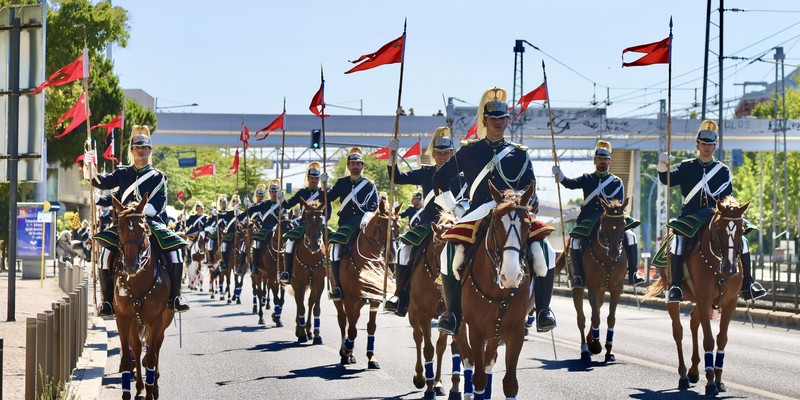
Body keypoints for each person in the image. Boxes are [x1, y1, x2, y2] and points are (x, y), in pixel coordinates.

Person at [431, 88, 555, 335]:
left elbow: (532, 187)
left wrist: (531, 204)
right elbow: (440, 178)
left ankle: (543, 310)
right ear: (485, 121)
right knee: (450, 251)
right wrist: (454, 207)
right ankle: (453, 314)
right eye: (493, 119)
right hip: (479, 212)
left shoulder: (520, 155)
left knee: (545, 251)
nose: (498, 123)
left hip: (513, 212)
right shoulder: (469, 151)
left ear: (508, 121)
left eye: (502, 118)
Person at [657, 120, 766, 302]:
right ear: (698, 145)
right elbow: (666, 180)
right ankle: (676, 285)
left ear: (715, 147)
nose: (707, 148)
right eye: (704, 144)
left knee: (743, 240)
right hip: (690, 217)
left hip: (715, 216)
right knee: (677, 242)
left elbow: (728, 197)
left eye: (710, 145)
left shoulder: (722, 170)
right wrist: (663, 165)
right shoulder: (686, 166)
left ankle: (748, 283)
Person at [87, 125, 189, 315]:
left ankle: (175, 296)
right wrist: (89, 169)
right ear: (132, 151)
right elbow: (102, 182)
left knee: (176, 252)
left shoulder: (159, 176)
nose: (140, 150)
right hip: (124, 223)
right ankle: (107, 302)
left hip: (150, 222)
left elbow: (160, 202)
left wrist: (140, 212)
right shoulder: (122, 173)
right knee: (105, 255)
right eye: (136, 147)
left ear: (149, 150)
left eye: (144, 147)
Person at [384, 127, 465, 316]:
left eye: (447, 153)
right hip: (428, 224)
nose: (443, 157)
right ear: (434, 154)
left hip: (455, 225)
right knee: (404, 250)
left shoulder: (462, 178)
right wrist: (392, 156)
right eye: (439, 153)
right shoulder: (425, 173)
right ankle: (400, 295)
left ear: (452, 154)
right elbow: (396, 178)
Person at [552, 140, 645, 288]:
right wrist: (560, 175)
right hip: (588, 220)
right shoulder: (587, 178)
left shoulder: (616, 182)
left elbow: (618, 203)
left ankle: (633, 272)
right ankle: (578, 276)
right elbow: (569, 184)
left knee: (630, 236)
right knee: (575, 241)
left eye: (606, 159)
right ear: (595, 161)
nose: (603, 162)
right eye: (600, 159)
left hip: (610, 219)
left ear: (610, 161)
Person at [322, 147, 378, 301]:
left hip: (362, 224)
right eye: (352, 163)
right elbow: (327, 198)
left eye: (358, 164)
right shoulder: (341, 183)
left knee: (378, 249)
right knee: (335, 250)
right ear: (348, 166)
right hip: (345, 225)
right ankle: (337, 286)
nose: (355, 166)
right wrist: (323, 186)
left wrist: (366, 218)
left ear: (362, 166)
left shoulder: (369, 185)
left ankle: (374, 285)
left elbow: (373, 206)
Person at [279, 163, 331, 284]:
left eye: (316, 178)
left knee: (333, 240)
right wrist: (281, 198)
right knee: (290, 242)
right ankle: (287, 271)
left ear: (319, 179)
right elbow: (288, 205)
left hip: (320, 224)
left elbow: (329, 210)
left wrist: (322, 221)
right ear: (308, 178)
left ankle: (332, 272)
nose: (314, 180)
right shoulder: (302, 192)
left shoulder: (323, 192)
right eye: (312, 178)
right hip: (304, 224)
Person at [251, 180, 284, 273]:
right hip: (265, 229)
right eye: (272, 191)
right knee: (256, 241)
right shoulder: (264, 204)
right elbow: (252, 209)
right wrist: (246, 208)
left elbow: (286, 215)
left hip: (278, 229)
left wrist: (283, 201)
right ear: (269, 192)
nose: (274, 193)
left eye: (275, 192)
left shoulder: (282, 203)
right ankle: (255, 265)